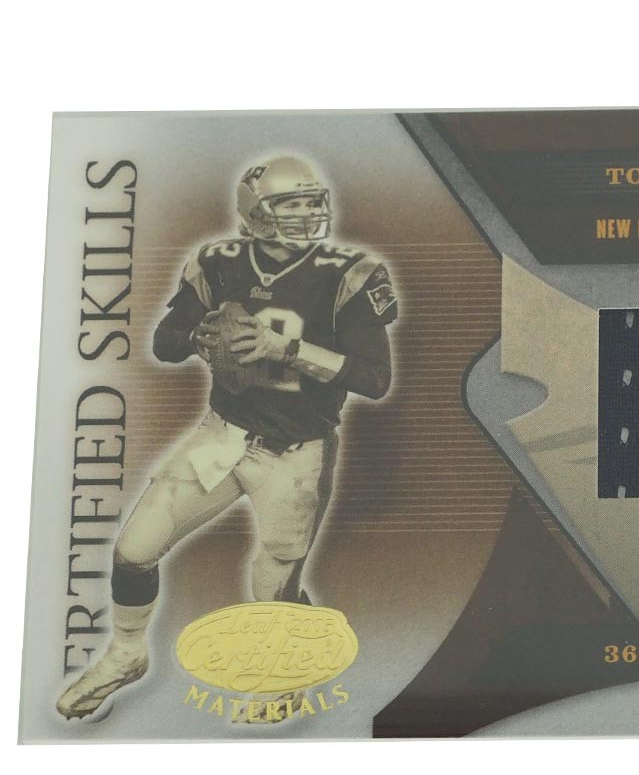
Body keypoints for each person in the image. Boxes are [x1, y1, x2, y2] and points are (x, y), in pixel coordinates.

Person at [57, 157, 397, 720]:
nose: (307, 214)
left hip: (294, 455)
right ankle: (126, 654)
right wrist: (200, 334)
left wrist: (287, 350)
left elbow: (375, 380)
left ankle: (292, 663)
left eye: (312, 202)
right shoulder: (219, 261)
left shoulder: (350, 272)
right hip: (221, 437)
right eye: (290, 204)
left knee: (271, 586)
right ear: (256, 212)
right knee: (133, 550)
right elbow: (165, 343)